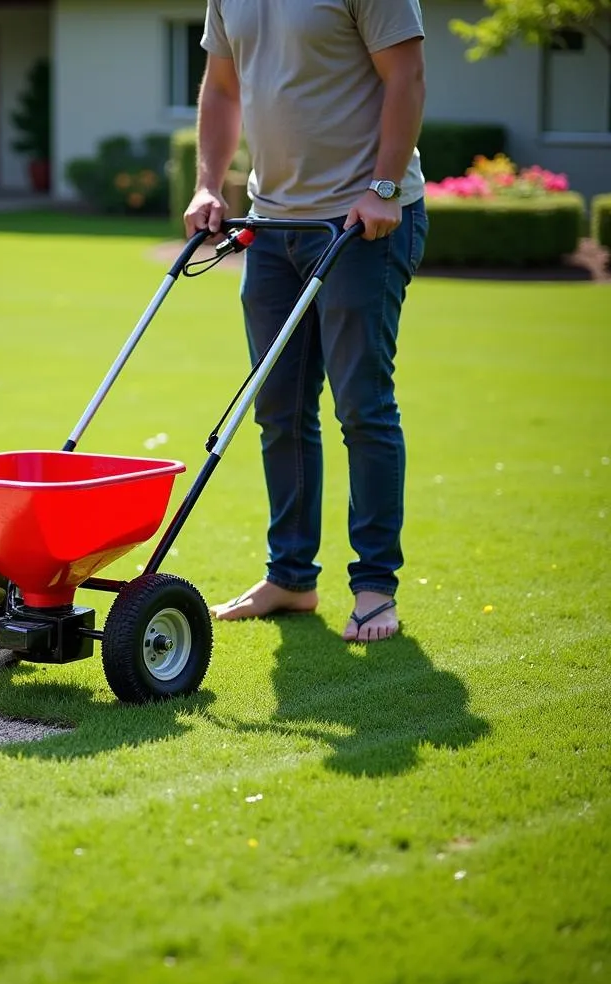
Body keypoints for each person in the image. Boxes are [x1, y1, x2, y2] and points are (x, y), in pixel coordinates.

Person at [185, 0, 429, 643]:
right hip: (272, 226)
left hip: (360, 224)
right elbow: (221, 86)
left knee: (363, 407)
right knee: (279, 409)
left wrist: (382, 187)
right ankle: (291, 578)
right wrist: (209, 183)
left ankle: (375, 585)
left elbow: (406, 75)